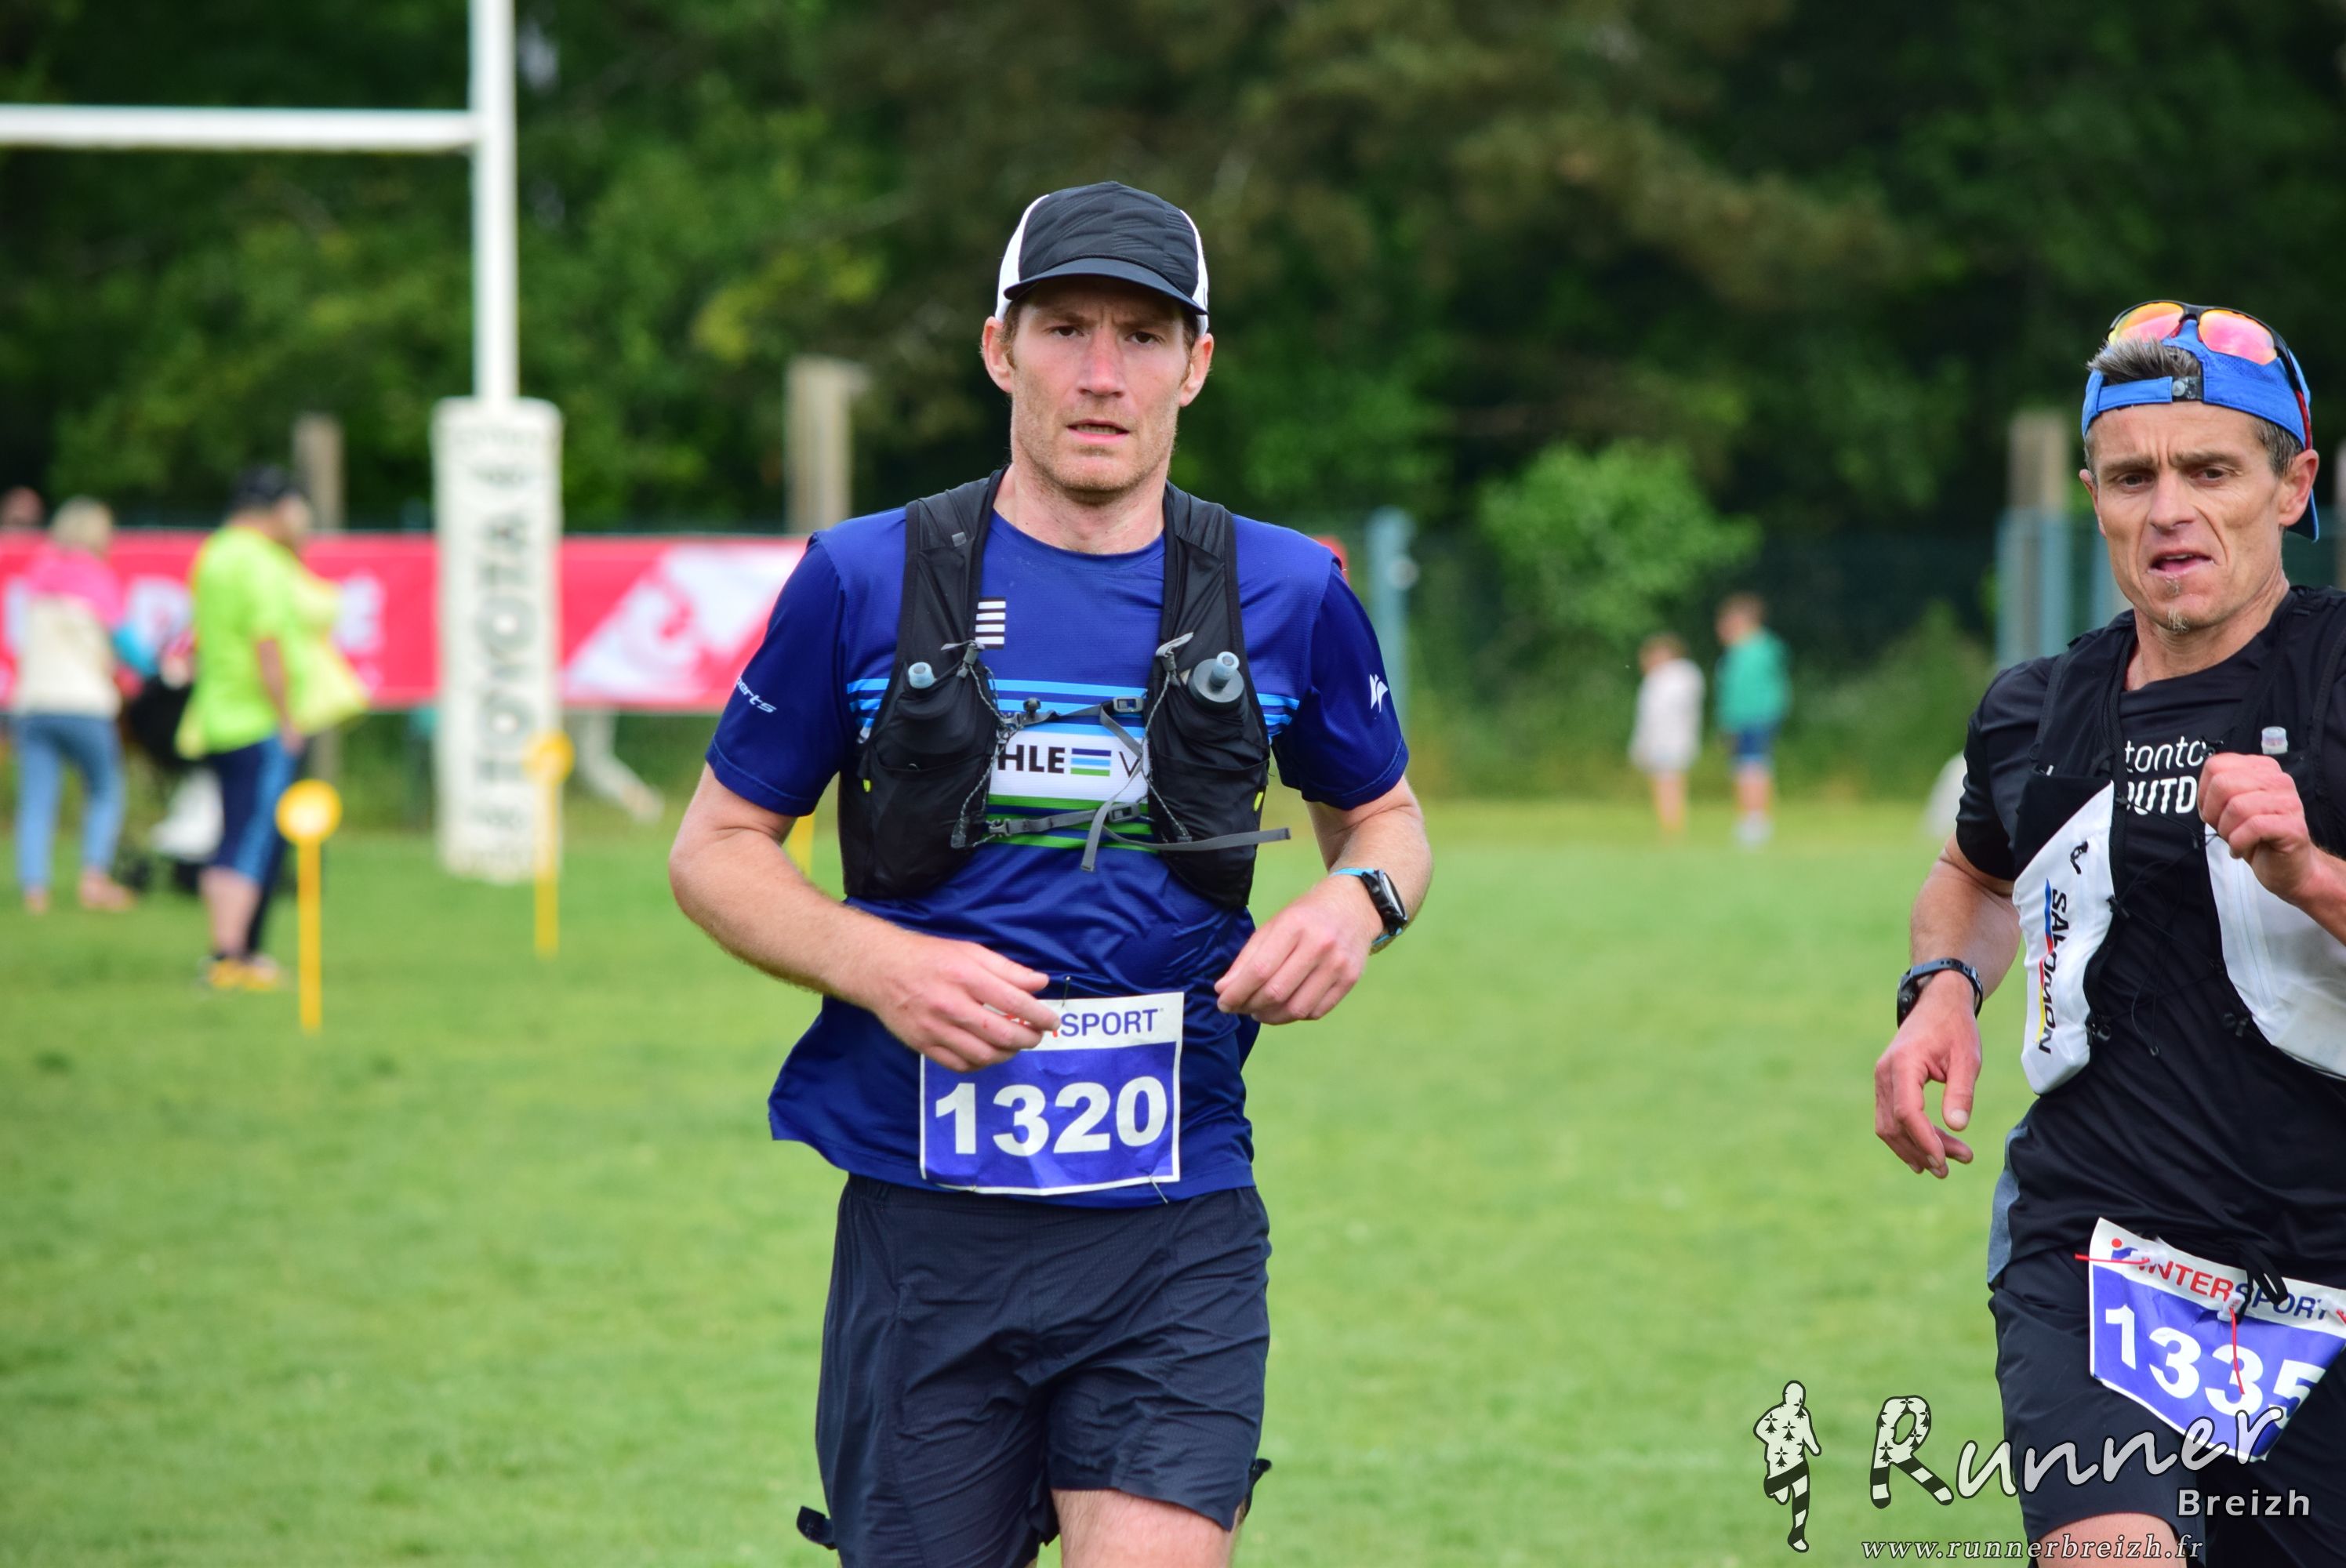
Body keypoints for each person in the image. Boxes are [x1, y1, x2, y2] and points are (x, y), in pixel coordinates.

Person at [669, 180, 1429, 1568]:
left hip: (1175, 1220)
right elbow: (715, 849)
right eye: (1065, 327)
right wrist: (878, 963)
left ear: (1196, 365)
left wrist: (1354, 902)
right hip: (924, 1228)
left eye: (1143, 337)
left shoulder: (1288, 590)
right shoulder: (862, 577)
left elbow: (1383, 818)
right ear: (997, 349)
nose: (1100, 374)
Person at [1873, 301, 2346, 1563]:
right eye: (2132, 478)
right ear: (2093, 497)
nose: (2168, 510)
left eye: (2211, 472)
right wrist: (1941, 990)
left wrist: (2311, 874)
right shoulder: (2035, 711)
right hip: (2104, 1257)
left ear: (2293, 485)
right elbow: (1973, 876)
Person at [176, 468, 315, 990]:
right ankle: (231, 955)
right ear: (279, 509)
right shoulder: (261, 562)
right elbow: (267, 643)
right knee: (252, 840)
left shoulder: (212, 555)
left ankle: (229, 950)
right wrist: (286, 716)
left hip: (216, 716)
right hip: (256, 719)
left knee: (231, 834)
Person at [9, 496, 149, 913]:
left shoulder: (38, 574)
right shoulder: (97, 578)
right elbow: (128, 646)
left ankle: (35, 892)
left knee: (37, 800)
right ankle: (94, 881)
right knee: (105, 789)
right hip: (84, 703)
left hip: (33, 702)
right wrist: (152, 668)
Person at [1714, 592, 1789, 846]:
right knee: (1742, 769)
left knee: (1753, 768)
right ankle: (1748, 817)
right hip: (1739, 720)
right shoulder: (1736, 653)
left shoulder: (1761, 649)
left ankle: (1757, 820)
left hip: (1757, 718)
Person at [1629, 632, 1703, 837]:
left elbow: (1658, 716)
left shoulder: (1669, 681)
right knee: (1667, 783)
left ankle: (1671, 827)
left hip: (1668, 741)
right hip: (1670, 741)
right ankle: (1670, 825)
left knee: (1668, 784)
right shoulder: (1675, 679)